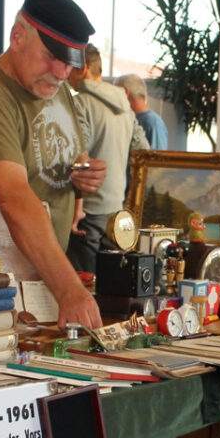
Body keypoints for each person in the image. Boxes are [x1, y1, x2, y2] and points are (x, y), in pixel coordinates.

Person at [0, 0, 107, 329]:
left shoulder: (56, 91)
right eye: (51, 57)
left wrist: (83, 178)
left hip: (39, 285)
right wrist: (70, 289)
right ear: (17, 37)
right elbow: (14, 197)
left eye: (68, 64)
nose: (61, 73)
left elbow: (60, 165)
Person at [65, 45, 149, 273]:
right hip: (117, 211)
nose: (65, 74)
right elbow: (143, 150)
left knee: (84, 285)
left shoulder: (80, 102)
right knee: (110, 287)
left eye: (69, 68)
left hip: (86, 211)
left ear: (82, 68)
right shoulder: (125, 107)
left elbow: (78, 155)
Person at [117, 74, 168, 150]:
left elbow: (158, 159)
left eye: (116, 92)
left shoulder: (153, 122)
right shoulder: (129, 118)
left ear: (125, 92)